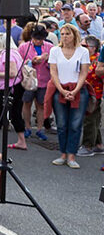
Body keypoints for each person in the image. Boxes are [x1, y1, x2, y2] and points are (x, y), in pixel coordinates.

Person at [45, 23, 91, 169]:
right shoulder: (55, 51)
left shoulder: (83, 51)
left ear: (74, 35)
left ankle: (72, 155)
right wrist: (62, 91)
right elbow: (53, 72)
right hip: (60, 89)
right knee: (62, 124)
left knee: (75, 124)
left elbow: (84, 73)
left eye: (68, 34)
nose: (65, 37)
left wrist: (75, 90)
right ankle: (63, 154)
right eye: (63, 34)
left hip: (78, 90)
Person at [17, 24, 53, 142]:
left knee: (41, 105)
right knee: (26, 103)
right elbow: (18, 63)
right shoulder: (23, 47)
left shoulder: (50, 47)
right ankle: (27, 127)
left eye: (40, 39)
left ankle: (39, 129)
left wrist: (47, 60)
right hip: (28, 80)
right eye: (36, 38)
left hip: (44, 80)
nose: (38, 41)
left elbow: (55, 66)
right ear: (31, 37)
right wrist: (30, 62)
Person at [0, 32, 26, 152]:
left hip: (9, 87)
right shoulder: (14, 52)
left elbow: (12, 73)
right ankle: (21, 140)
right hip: (15, 87)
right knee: (15, 113)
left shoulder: (7, 54)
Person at [79, 37, 104, 157]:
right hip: (89, 93)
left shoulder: (97, 59)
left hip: (94, 94)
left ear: (93, 48)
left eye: (84, 46)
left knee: (89, 119)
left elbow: (90, 75)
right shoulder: (86, 57)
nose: (81, 48)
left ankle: (88, 146)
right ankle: (98, 144)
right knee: (94, 119)